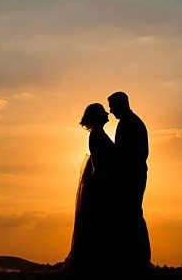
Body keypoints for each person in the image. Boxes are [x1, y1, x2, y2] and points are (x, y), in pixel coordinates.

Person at [64, 103, 117, 274]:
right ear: (96, 117)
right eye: (102, 112)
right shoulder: (98, 135)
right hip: (100, 183)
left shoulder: (98, 134)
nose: (107, 114)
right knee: (97, 223)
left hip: (100, 181)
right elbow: (103, 161)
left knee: (97, 223)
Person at [108, 91, 151, 273]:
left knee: (133, 216)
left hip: (133, 176)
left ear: (121, 104)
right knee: (129, 217)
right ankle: (133, 260)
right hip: (130, 175)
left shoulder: (132, 123)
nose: (110, 111)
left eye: (112, 106)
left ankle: (141, 261)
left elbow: (134, 154)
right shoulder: (128, 122)